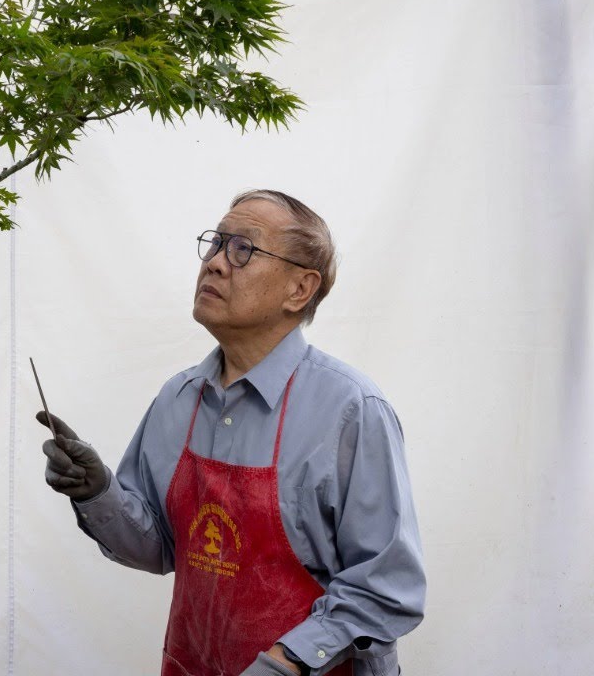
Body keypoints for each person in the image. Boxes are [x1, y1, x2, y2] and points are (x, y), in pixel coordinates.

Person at [38, 189, 425, 676]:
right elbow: (160, 548)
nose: (216, 263)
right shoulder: (179, 397)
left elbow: (385, 589)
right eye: (216, 243)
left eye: (243, 248)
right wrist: (98, 493)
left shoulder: (351, 411)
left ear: (299, 289)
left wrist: (284, 664)